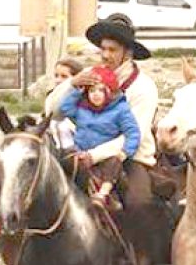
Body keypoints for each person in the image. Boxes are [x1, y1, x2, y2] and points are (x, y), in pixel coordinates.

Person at [45, 22, 159, 212]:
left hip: (130, 157)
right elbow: (52, 112)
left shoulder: (143, 87)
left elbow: (134, 134)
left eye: (112, 50)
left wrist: (93, 156)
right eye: (103, 49)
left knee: (139, 203)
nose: (105, 55)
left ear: (128, 53)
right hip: (81, 150)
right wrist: (71, 84)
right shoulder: (89, 76)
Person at [58, 66, 141, 210]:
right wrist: (78, 91)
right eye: (91, 90)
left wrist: (126, 151)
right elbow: (65, 108)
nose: (96, 95)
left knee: (114, 163)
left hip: (103, 155)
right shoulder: (83, 108)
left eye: (100, 90)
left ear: (109, 92)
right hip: (81, 152)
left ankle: (103, 194)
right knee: (66, 161)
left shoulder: (120, 110)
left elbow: (133, 132)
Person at [46, 57, 83, 151]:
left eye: (64, 76)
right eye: (56, 75)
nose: (58, 80)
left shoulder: (83, 99)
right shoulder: (51, 97)